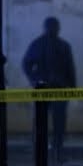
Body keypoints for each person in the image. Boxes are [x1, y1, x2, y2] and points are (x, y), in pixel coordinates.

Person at [21, 16, 77, 154]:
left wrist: (72, 86)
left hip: (57, 87)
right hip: (45, 87)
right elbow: (27, 64)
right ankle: (43, 144)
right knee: (43, 118)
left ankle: (54, 144)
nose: (55, 29)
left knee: (56, 119)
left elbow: (70, 67)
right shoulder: (41, 44)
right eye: (53, 27)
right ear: (47, 28)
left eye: (56, 27)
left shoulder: (62, 45)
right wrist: (35, 80)